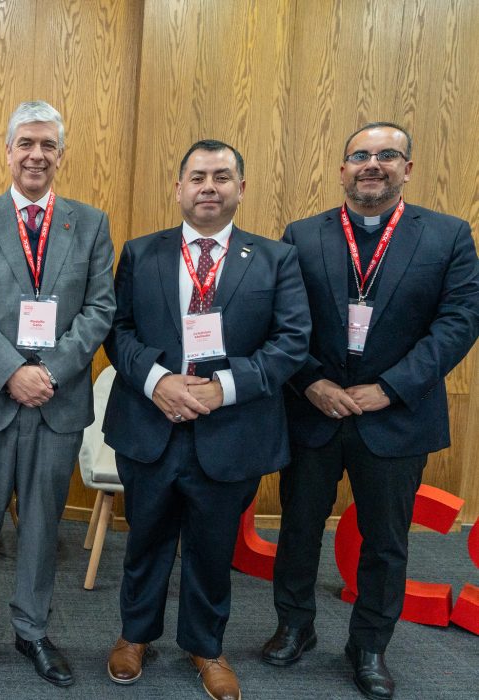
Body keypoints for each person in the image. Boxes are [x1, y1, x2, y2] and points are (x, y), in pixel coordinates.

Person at [262, 123, 479, 700]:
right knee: (300, 527)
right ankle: (295, 626)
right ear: (342, 169)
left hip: (396, 413)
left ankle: (370, 646)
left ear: (407, 168)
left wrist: (390, 387)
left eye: (387, 155)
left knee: (386, 540)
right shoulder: (302, 236)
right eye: (360, 155)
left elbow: (458, 323)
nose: (372, 164)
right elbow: (283, 323)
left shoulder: (449, 236)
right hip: (315, 408)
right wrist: (311, 382)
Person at [102, 140, 310, 700]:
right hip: (152, 423)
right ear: (179, 188)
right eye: (198, 177)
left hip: (232, 430)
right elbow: (117, 332)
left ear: (241, 188)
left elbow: (291, 342)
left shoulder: (275, 259)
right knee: (145, 538)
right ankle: (134, 636)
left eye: (222, 177)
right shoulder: (141, 253)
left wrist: (222, 389)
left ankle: (205, 646)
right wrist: (158, 382)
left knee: (213, 547)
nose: (209, 187)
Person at [0, 100, 115, 691]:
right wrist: (13, 371)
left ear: (61, 155)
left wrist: (54, 371)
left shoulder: (90, 223)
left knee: (43, 525)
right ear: (7, 150)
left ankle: (32, 629)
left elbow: (100, 310)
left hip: (57, 403)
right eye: (26, 144)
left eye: (47, 145)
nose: (36, 155)